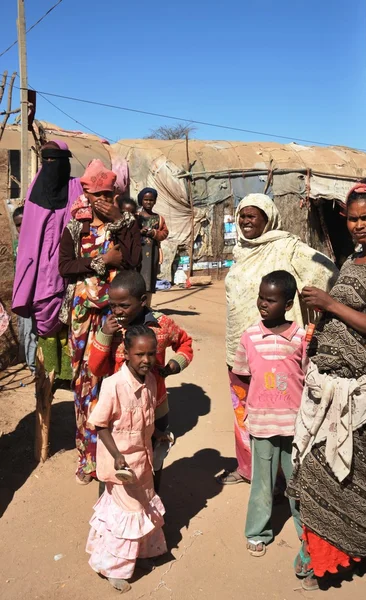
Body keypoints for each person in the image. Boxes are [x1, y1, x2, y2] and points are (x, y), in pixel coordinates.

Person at [287, 180, 366, 591]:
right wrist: (321, 322)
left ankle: (338, 556)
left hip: (361, 397)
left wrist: (331, 305)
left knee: (347, 480)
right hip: (330, 386)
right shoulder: (352, 259)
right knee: (313, 472)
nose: (360, 226)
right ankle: (319, 557)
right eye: (354, 219)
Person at [222, 193, 338, 485]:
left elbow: (326, 273)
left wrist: (320, 308)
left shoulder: (288, 248)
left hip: (278, 351)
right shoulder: (241, 250)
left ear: (268, 218)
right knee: (245, 412)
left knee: (283, 414)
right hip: (242, 346)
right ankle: (251, 470)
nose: (246, 221)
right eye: (242, 215)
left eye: (253, 215)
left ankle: (287, 479)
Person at [59, 159, 142, 485]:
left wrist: (121, 222)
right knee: (85, 385)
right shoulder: (75, 226)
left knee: (116, 381)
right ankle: (88, 458)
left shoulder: (124, 224)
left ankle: (117, 455)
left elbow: (134, 262)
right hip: (83, 316)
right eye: (98, 195)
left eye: (109, 194)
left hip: (115, 313)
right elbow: (64, 266)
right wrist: (100, 261)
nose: (104, 200)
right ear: (86, 194)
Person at [88, 269, 193, 492]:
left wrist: (174, 365)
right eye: (113, 305)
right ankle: (111, 512)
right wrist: (105, 334)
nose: (117, 311)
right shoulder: (111, 327)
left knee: (154, 457)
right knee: (118, 460)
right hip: (120, 410)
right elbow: (96, 368)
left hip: (156, 406)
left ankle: (151, 505)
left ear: (143, 300)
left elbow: (185, 344)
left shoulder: (162, 325)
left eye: (124, 305)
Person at [233, 270, 307, 565]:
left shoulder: (301, 337)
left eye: (271, 300)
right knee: (262, 482)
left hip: (296, 425)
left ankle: (308, 532)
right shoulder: (250, 336)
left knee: (299, 482)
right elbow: (243, 375)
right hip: (262, 424)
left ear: (288, 304)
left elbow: (308, 374)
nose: (263, 304)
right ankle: (257, 532)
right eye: (261, 298)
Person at [86, 325, 167, 593]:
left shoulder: (152, 382)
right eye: (140, 354)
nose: (146, 360)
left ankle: (138, 556)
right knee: (128, 513)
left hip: (142, 461)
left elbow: (146, 417)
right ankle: (114, 568)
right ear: (126, 354)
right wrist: (118, 456)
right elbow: (100, 424)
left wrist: (158, 434)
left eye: (151, 354)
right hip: (121, 465)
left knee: (142, 506)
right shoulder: (113, 385)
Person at [12, 140, 83, 383]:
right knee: (42, 319)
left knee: (71, 319)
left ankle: (67, 373)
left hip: (69, 267)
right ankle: (44, 373)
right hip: (40, 271)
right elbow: (30, 238)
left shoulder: (76, 188)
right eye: (47, 160)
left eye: (56, 160)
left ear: (66, 162)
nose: (51, 165)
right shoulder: (36, 190)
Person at [12, 206, 37, 373]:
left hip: (38, 296)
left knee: (36, 333)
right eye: (17, 225)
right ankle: (33, 367)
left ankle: (38, 368)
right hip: (24, 298)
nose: (21, 228)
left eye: (23, 223)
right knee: (27, 333)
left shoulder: (38, 243)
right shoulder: (18, 246)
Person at [137, 188, 169, 307]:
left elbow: (164, 233)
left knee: (149, 281)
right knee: (137, 280)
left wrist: (154, 233)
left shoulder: (159, 218)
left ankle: (147, 307)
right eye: (146, 200)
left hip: (152, 254)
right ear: (141, 201)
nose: (148, 202)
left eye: (151, 200)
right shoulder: (136, 217)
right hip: (138, 253)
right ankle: (136, 308)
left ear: (155, 201)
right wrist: (139, 231)